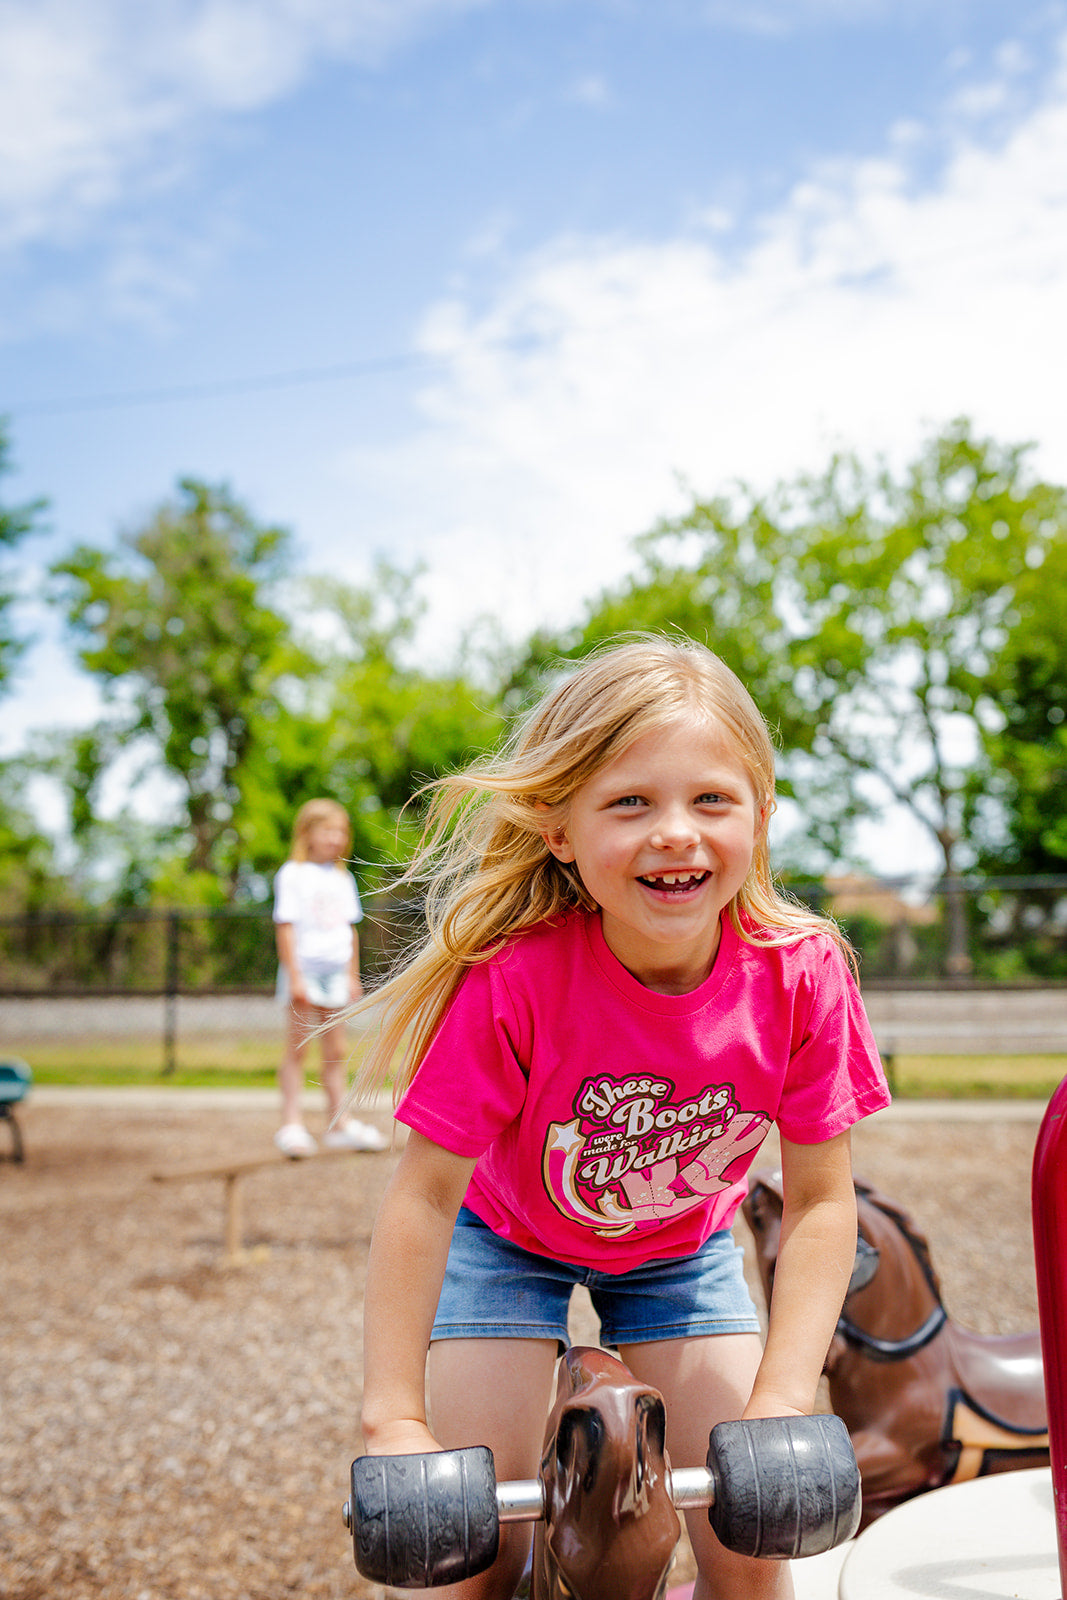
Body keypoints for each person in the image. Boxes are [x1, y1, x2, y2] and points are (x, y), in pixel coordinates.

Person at [348, 637, 891, 1600]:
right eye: (629, 801)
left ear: (761, 816)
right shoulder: (516, 977)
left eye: (711, 799)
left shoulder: (801, 974)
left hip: (680, 1254)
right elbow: (426, 1198)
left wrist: (779, 1398)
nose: (674, 832)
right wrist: (393, 1417)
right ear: (560, 830)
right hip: (506, 1242)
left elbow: (816, 1204)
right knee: (469, 1560)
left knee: (753, 1547)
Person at [272, 798, 387, 1157]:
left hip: (336, 974)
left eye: (341, 831)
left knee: (336, 1051)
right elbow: (286, 928)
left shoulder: (343, 877)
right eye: (328, 830)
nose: (336, 838)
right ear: (307, 833)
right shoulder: (292, 874)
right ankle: (291, 1124)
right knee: (298, 1049)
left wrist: (352, 975)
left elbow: (349, 931)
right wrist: (295, 977)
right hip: (305, 973)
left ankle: (339, 1123)